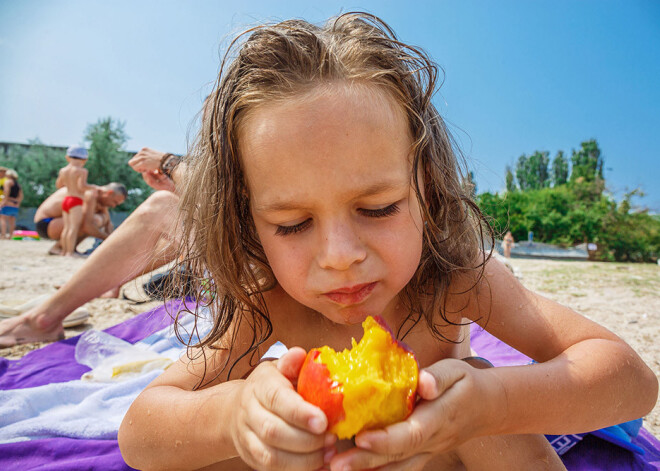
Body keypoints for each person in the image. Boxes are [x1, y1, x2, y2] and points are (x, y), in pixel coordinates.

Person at [117, 13, 658, 471]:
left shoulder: (453, 279)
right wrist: (234, 415)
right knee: (248, 439)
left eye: (378, 209)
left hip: (450, 453)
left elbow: (630, 380)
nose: (340, 255)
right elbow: (140, 431)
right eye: (291, 224)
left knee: (476, 386)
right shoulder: (268, 301)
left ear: (425, 188)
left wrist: (494, 405)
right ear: (247, 222)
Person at [0, 148, 181, 347]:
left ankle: (46, 315)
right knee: (88, 221)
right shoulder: (90, 190)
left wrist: (169, 162)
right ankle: (71, 256)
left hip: (61, 214)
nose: (113, 205)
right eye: (114, 201)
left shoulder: (86, 187)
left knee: (158, 207)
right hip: (51, 221)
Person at [34, 182, 127, 255]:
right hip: (46, 223)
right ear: (109, 193)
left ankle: (70, 248)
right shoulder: (91, 193)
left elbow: (108, 223)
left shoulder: (99, 198)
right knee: (92, 220)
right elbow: (88, 226)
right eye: (114, 202)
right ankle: (58, 247)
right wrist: (108, 239)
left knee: (100, 218)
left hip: (56, 222)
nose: (113, 206)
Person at [56, 146, 96, 256]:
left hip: (66, 199)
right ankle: (70, 252)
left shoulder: (63, 170)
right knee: (74, 228)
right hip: (76, 200)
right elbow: (82, 187)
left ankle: (64, 251)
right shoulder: (82, 171)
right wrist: (93, 187)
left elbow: (59, 185)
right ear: (84, 159)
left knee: (66, 228)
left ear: (67, 157)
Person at [0, 169, 23, 239]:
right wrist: (16, 202)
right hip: (15, 205)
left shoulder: (7, 182)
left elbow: (6, 192)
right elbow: (21, 196)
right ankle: (10, 236)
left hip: (7, 203)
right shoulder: (18, 185)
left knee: (2, 218)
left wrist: (3, 202)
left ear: (9, 175)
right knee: (12, 221)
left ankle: (3, 235)